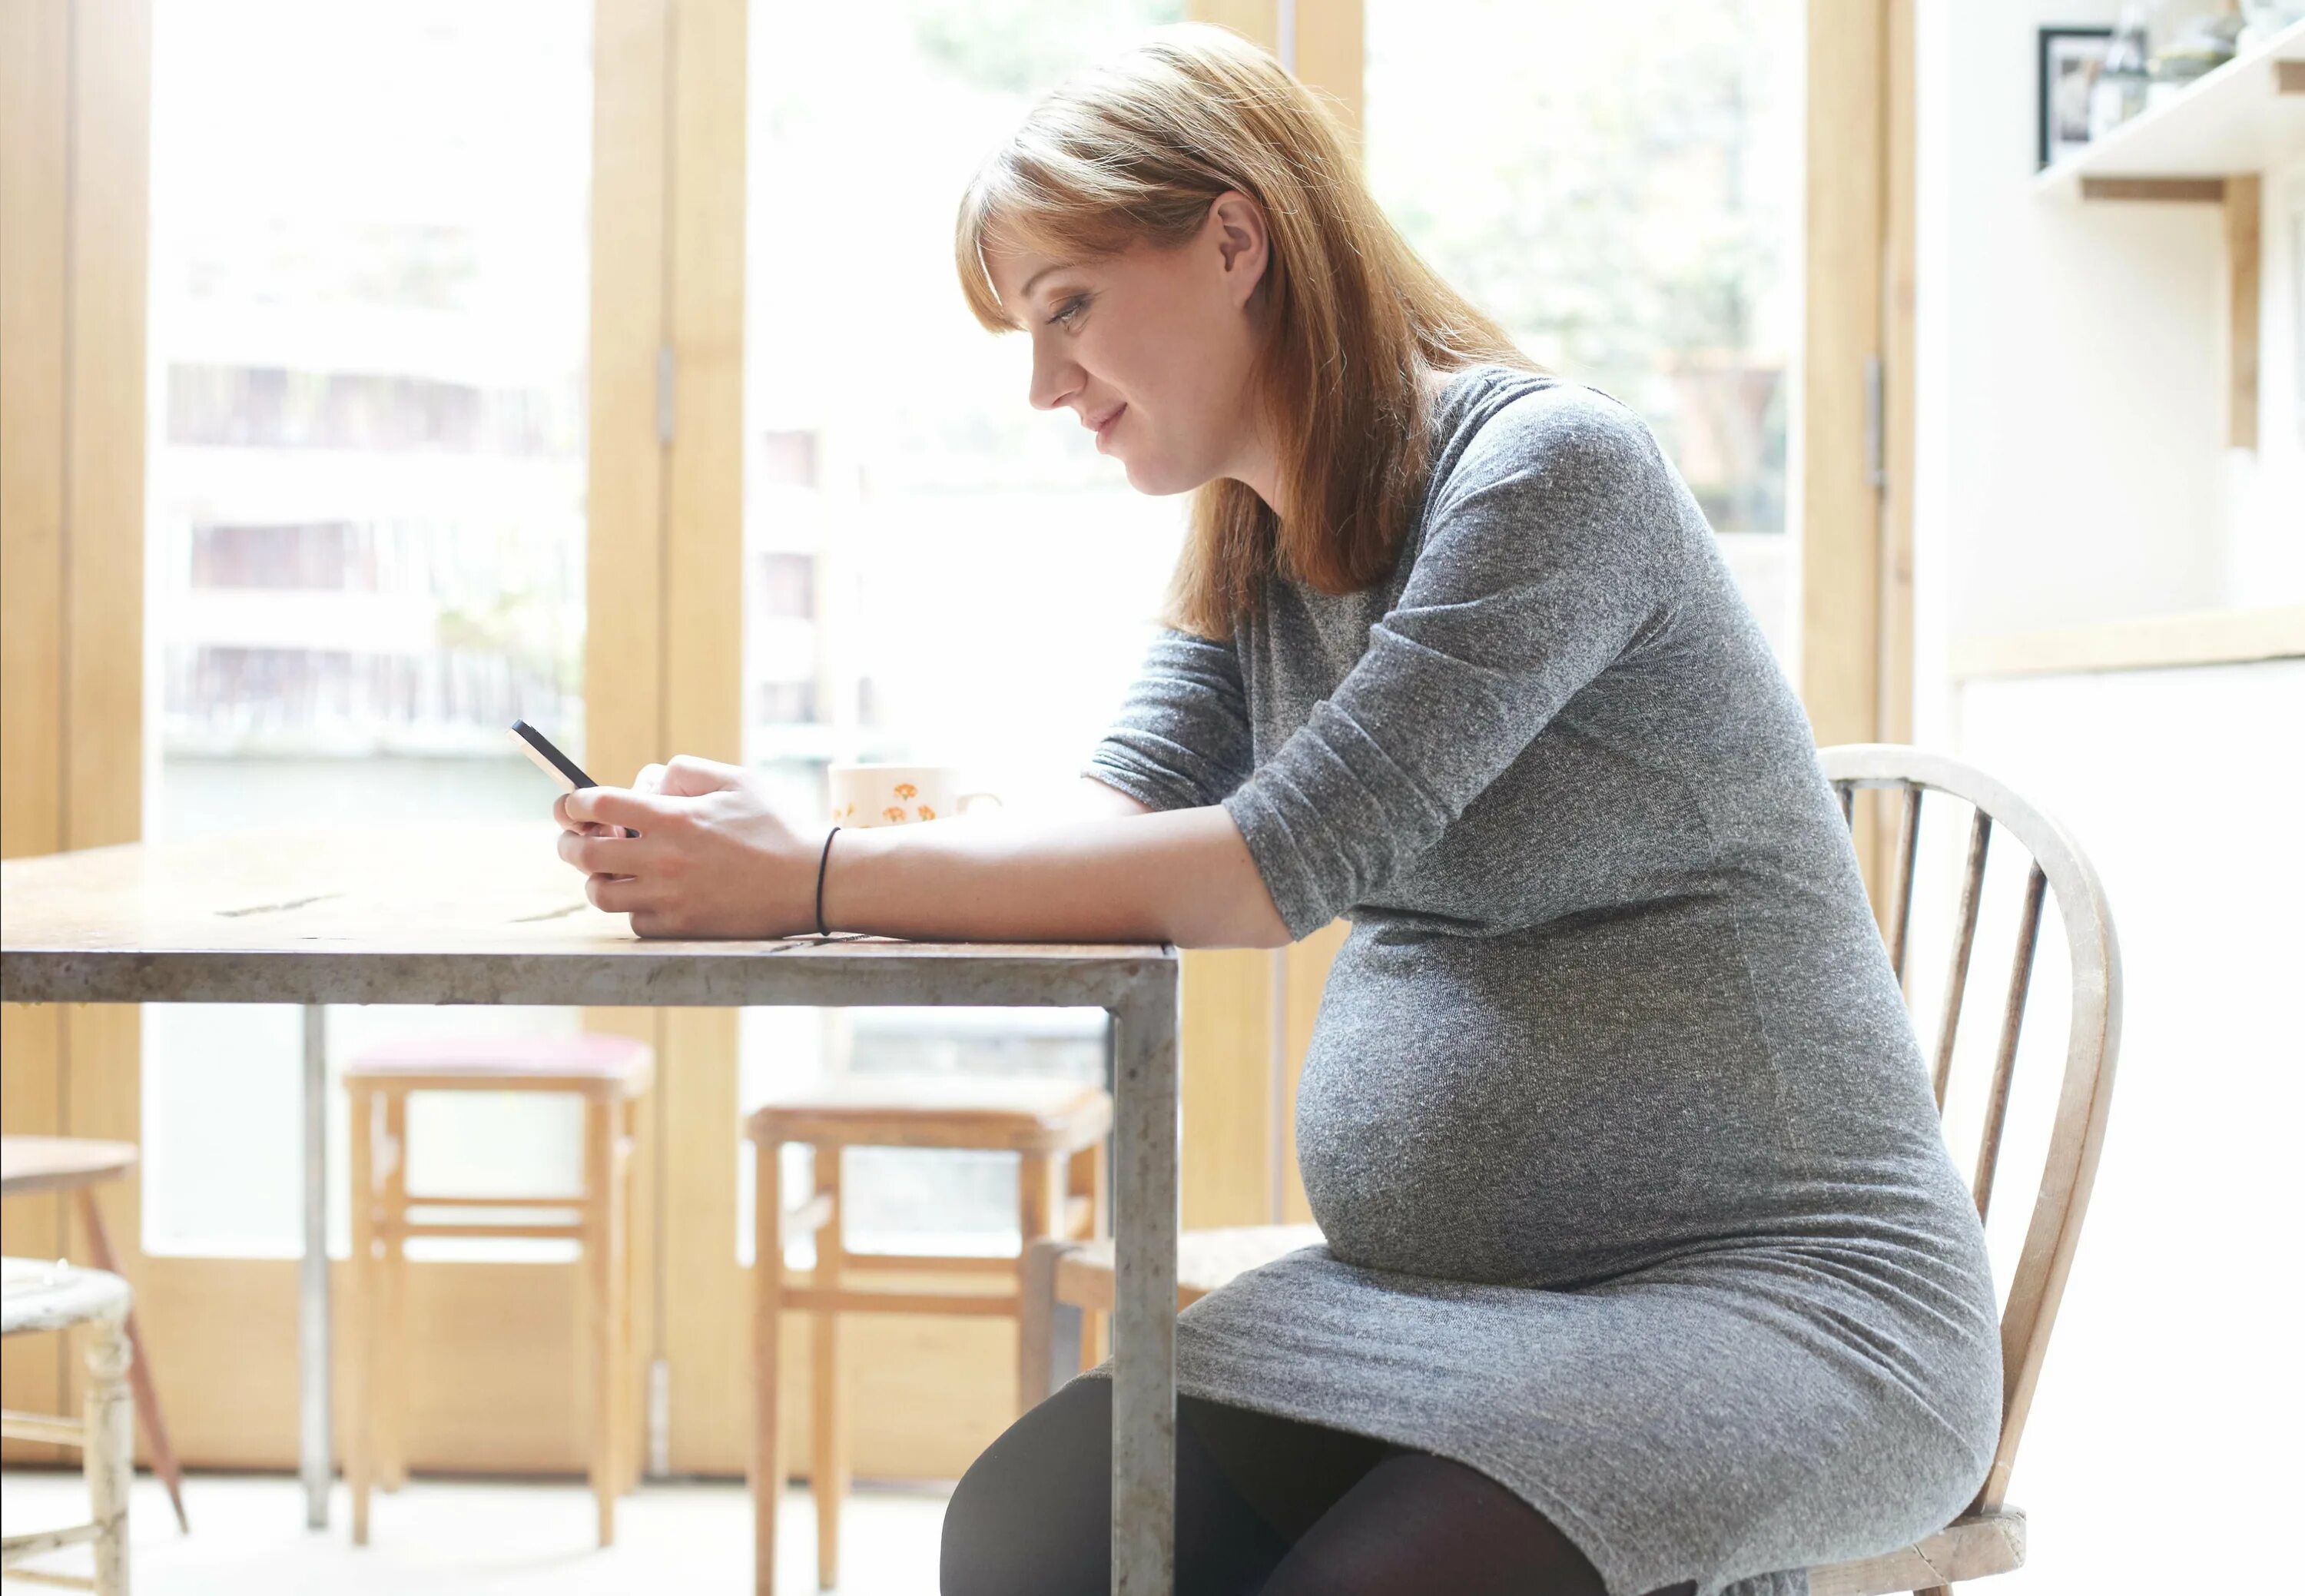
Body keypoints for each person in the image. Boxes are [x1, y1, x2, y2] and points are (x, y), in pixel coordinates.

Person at [553, 22, 2002, 1596]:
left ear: (1234, 238)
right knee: (1032, 1537)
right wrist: (787, 838)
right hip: (1421, 1309)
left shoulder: (1548, 475)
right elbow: (1109, 821)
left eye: (1071, 310)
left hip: (1779, 1302)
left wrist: (817, 876)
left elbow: (1270, 867)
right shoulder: (1252, 545)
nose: (1047, 384)